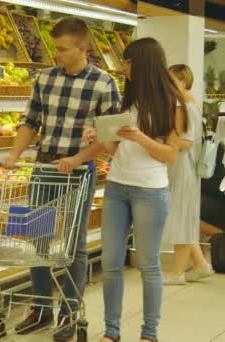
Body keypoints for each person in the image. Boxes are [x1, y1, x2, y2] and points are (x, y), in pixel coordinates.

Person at [1, 17, 120, 341]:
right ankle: (40, 309)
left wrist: (79, 158)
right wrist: (14, 155)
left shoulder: (103, 83)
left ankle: (69, 313)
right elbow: (30, 122)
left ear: (83, 47)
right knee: (37, 239)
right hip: (43, 166)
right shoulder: (44, 79)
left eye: (63, 49)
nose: (58, 54)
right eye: (56, 47)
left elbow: (109, 136)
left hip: (79, 172)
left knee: (73, 246)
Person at [100, 38, 187, 342]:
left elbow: (169, 155)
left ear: (143, 63)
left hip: (150, 190)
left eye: (127, 62)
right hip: (117, 186)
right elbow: (115, 149)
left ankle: (149, 333)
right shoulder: (129, 99)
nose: (123, 68)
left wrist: (140, 138)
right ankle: (111, 332)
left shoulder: (173, 104)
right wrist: (98, 138)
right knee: (110, 262)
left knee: (149, 265)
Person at [162, 64, 214, 285]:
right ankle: (200, 264)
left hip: (182, 166)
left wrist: (164, 142)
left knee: (181, 217)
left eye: (171, 81)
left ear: (183, 80)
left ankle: (177, 273)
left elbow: (185, 142)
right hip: (183, 167)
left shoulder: (186, 107)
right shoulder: (189, 105)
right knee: (182, 216)